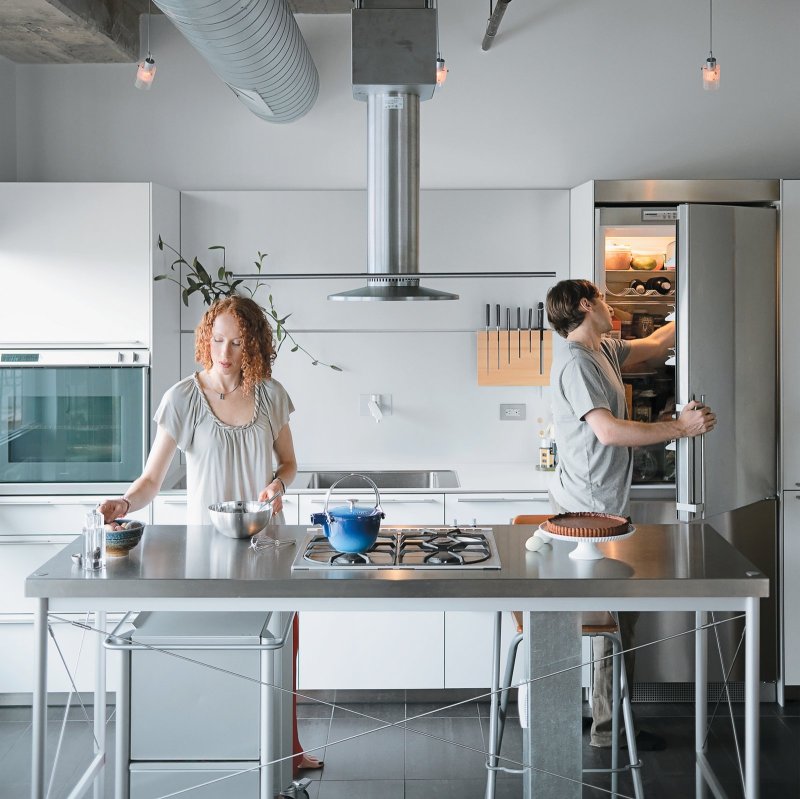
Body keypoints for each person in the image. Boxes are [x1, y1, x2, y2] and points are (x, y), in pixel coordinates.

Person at [99, 295, 322, 773]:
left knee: (284, 645)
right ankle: (230, 751)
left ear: (254, 345)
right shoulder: (182, 398)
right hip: (208, 551)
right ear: (207, 338)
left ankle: (289, 747)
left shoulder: (270, 395)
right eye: (218, 340)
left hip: (268, 545)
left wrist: (279, 483)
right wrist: (123, 502)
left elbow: (289, 462)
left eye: (237, 343)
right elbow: (151, 481)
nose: (225, 351)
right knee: (225, 652)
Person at [545, 279, 716, 751]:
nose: (611, 303)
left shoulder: (601, 349)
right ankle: (608, 731)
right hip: (591, 513)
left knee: (614, 619)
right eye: (603, 297)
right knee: (612, 622)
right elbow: (608, 432)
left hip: (600, 504)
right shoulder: (576, 362)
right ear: (585, 305)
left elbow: (658, 343)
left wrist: (696, 299)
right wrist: (679, 428)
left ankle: (599, 719)